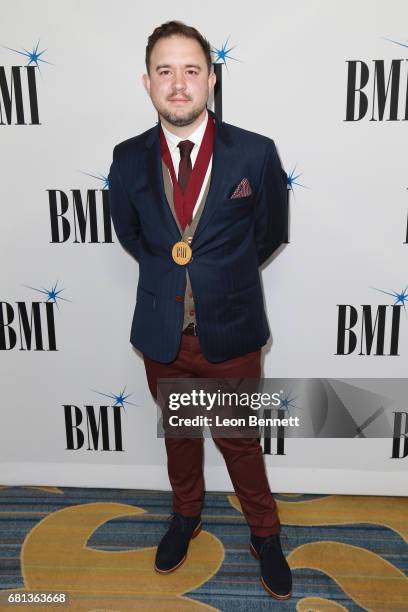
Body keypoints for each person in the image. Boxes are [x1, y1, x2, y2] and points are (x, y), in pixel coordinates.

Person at [108, 20, 292, 600]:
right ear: (148, 83)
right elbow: (132, 237)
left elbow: (268, 234)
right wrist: (177, 280)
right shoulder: (127, 158)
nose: (179, 84)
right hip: (164, 333)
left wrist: (219, 281)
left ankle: (265, 533)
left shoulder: (256, 153)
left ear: (211, 79)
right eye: (166, 71)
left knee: (240, 439)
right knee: (180, 437)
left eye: (191, 70)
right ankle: (185, 515)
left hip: (232, 330)